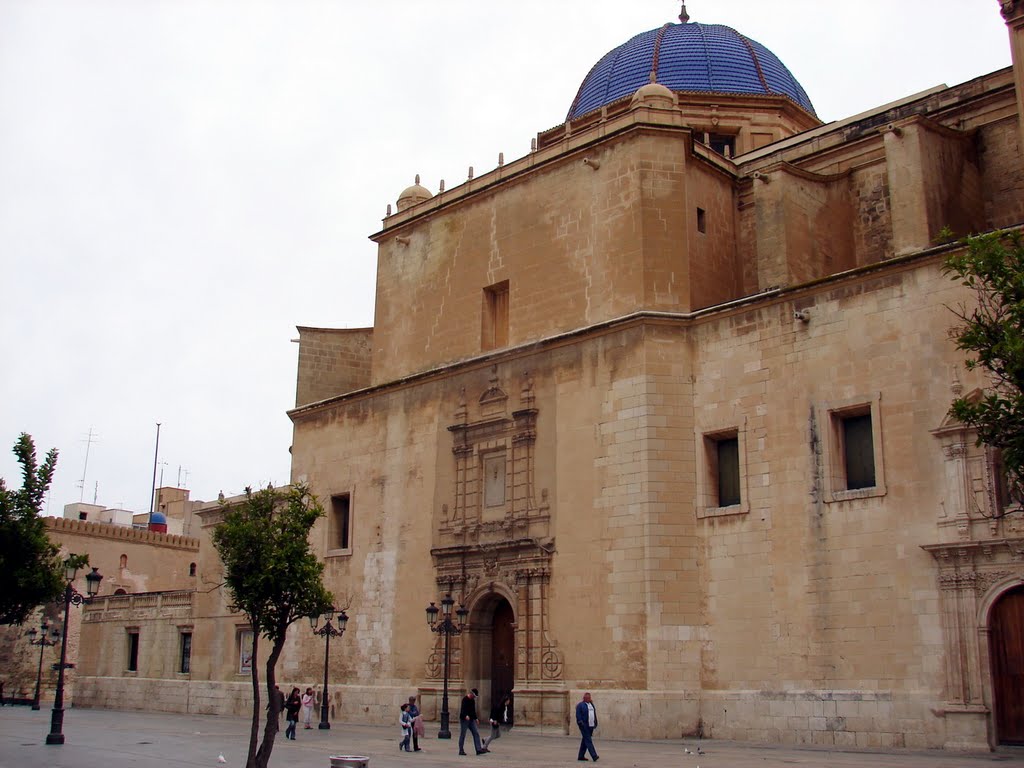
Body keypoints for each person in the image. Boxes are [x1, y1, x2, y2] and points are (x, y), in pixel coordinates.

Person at [458, 687, 486, 755]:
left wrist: (476, 718)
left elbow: (473, 711)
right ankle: (461, 750)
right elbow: (462, 710)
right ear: (471, 694)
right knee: (463, 734)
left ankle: (478, 749)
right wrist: (465, 716)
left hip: (471, 719)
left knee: (476, 733)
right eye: (474, 696)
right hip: (464, 719)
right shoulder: (465, 699)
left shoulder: (472, 700)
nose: (474, 697)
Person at [575, 691, 599, 762]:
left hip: (591, 725)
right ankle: (594, 755)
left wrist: (595, 722)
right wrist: (580, 722)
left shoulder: (591, 705)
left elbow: (594, 714)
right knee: (588, 740)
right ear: (584, 698)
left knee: (585, 740)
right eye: (587, 698)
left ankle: (581, 756)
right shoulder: (580, 705)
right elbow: (578, 715)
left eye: (589, 698)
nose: (588, 699)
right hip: (584, 725)